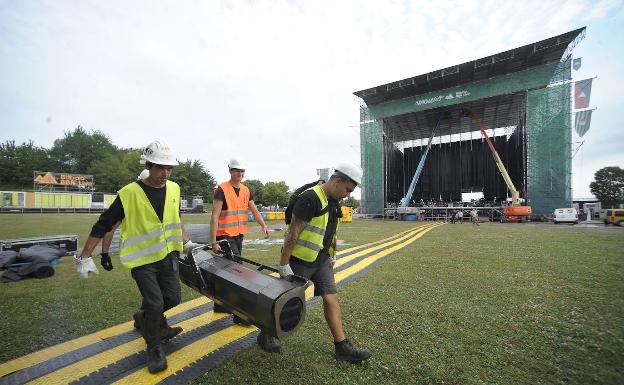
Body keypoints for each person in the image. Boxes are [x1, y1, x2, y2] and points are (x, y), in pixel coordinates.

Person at [76, 141, 196, 374]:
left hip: (168, 254)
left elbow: (175, 217)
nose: (165, 173)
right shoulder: (129, 193)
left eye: (169, 168)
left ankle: (146, 319)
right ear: (149, 165)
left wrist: (186, 241)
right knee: (155, 302)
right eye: (160, 167)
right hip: (142, 261)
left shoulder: (174, 188)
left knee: (172, 298)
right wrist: (85, 256)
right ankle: (154, 347)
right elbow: (105, 223)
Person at [258, 162, 372, 363]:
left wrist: (331, 255)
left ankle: (342, 347)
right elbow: (292, 233)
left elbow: (330, 231)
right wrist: (284, 265)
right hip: (300, 262)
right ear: (337, 181)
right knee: (287, 303)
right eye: (348, 189)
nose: (348, 194)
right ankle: (265, 333)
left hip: (321, 261)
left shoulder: (333, 201)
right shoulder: (310, 198)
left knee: (331, 297)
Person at [209, 158, 269, 323]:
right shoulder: (221, 189)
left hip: (238, 235)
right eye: (237, 171)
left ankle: (220, 304)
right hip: (224, 235)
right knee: (237, 272)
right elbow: (214, 216)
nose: (240, 174)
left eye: (242, 171)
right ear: (230, 171)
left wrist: (263, 225)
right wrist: (213, 241)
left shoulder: (246, 190)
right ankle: (240, 314)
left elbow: (254, 209)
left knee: (229, 270)